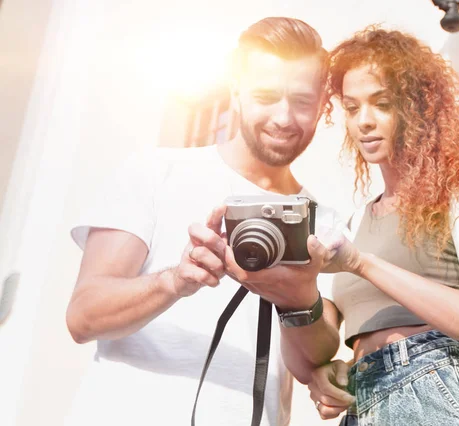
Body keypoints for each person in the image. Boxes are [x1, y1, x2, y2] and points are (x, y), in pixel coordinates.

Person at [65, 17, 343, 426]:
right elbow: (83, 317)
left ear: (323, 104)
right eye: (266, 96)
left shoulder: (327, 222)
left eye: (302, 101)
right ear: (236, 92)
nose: (284, 118)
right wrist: (174, 281)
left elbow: (310, 366)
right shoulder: (155, 171)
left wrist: (299, 299)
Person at [295, 27, 459, 425]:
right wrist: (336, 363)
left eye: (381, 103)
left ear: (417, 106)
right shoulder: (358, 220)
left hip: (437, 389)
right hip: (364, 401)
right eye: (351, 108)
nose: (363, 121)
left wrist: (360, 263)